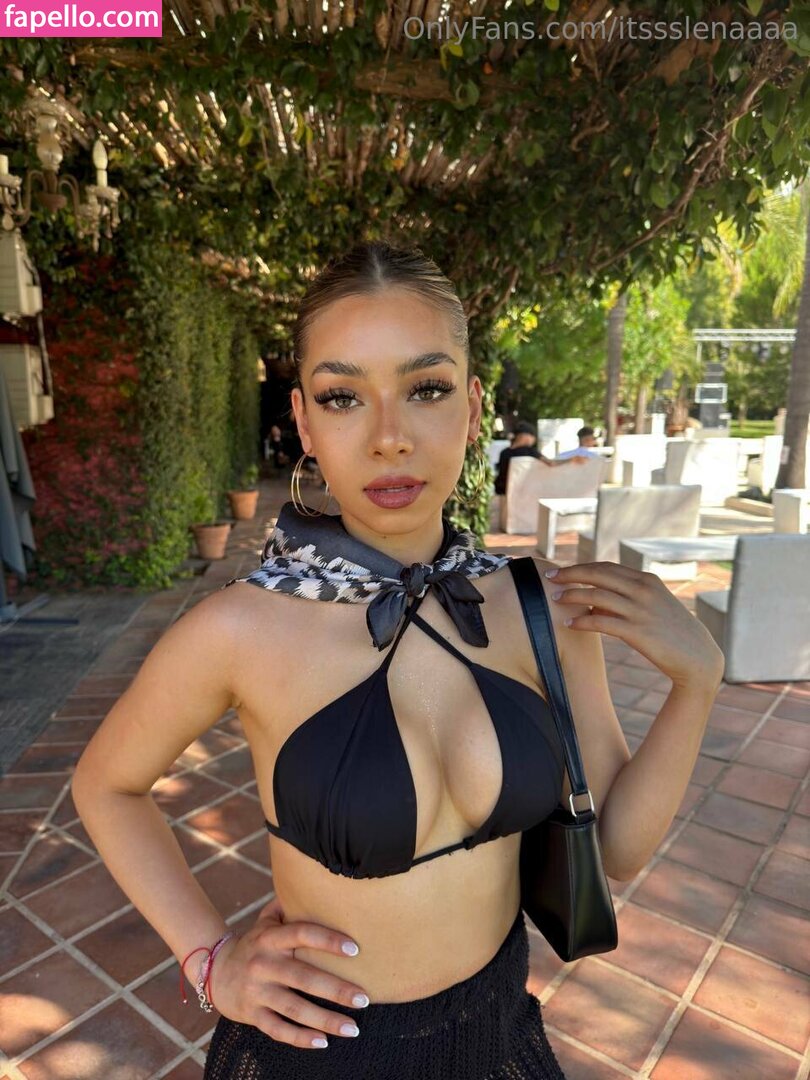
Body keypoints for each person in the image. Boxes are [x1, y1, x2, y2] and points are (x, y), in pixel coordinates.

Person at [71, 241, 725, 1080]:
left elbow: (618, 853)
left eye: (426, 389)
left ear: (471, 406)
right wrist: (210, 959)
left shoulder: (543, 605)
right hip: (320, 1054)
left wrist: (695, 685)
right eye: (343, 397)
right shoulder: (240, 628)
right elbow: (107, 785)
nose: (389, 439)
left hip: (497, 1035)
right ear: (304, 422)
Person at [494, 420, 586, 496]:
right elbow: (551, 464)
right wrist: (571, 460)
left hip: (502, 492)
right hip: (521, 494)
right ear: (526, 436)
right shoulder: (529, 451)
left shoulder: (504, 452)